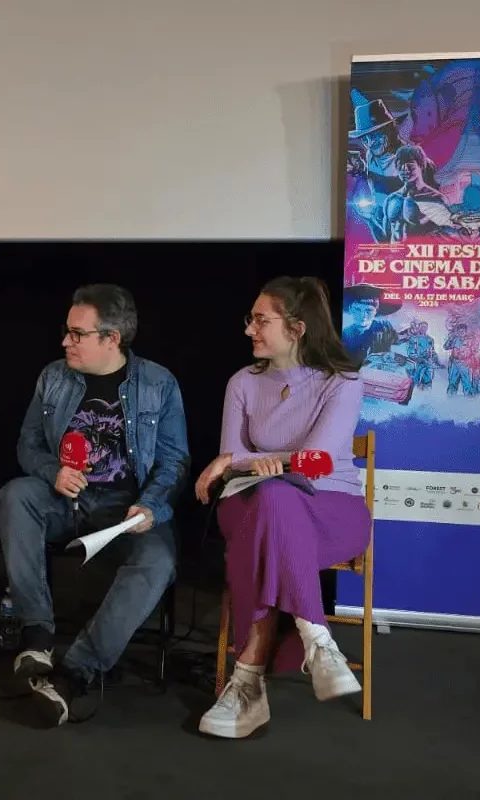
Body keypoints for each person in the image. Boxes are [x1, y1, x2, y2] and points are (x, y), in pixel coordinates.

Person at [0, 284, 189, 727]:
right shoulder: (53, 377)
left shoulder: (159, 384)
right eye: (67, 332)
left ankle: (75, 672)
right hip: (68, 500)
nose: (66, 342)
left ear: (111, 339)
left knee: (159, 560)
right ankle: (37, 635)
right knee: (16, 495)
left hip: (126, 510)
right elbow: (27, 445)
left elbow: (175, 460)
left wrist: (151, 507)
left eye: (76, 334)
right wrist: (52, 472)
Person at [192, 276, 368, 739]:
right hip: (247, 499)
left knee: (277, 499)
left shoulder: (342, 381)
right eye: (250, 319)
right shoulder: (242, 383)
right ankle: (318, 638)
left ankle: (247, 682)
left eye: (260, 320)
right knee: (271, 498)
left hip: (329, 507)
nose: (250, 329)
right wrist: (244, 462)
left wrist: (243, 461)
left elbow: (319, 461)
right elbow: (231, 456)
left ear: (297, 327)